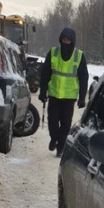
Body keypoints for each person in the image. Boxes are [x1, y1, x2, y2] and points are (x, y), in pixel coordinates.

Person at [38, 28, 89, 157]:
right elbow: (45, 74)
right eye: (64, 39)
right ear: (61, 40)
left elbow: (84, 78)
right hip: (54, 94)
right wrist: (43, 91)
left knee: (66, 124)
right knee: (53, 121)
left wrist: (82, 97)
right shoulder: (53, 53)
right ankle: (54, 138)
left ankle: (60, 147)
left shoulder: (79, 56)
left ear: (72, 41)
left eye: (68, 40)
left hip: (69, 97)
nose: (66, 42)